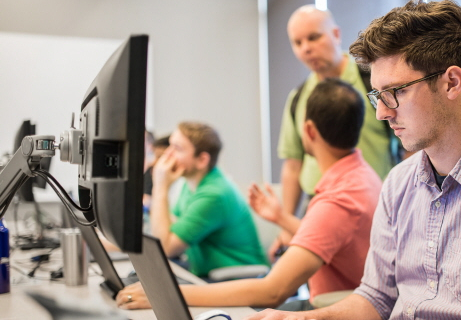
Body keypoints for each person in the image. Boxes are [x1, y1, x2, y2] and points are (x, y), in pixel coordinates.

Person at [246, 1, 461, 319]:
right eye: (376, 95)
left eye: (397, 92)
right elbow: (375, 300)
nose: (381, 113)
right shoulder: (399, 184)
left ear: (451, 83)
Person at [116, 79, 381, 311]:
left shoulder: (338, 199)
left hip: (331, 309)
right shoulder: (361, 176)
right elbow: (334, 234)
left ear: (308, 131)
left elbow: (273, 292)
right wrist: (281, 218)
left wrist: (165, 294)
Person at [273, 5, 399, 260]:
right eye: (297, 42)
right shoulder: (298, 98)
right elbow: (292, 166)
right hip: (317, 208)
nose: (306, 48)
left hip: (371, 207)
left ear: (336, 34)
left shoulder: (372, 82)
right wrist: (285, 225)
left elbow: (410, 147)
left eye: (313, 37)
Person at [145, 122, 267, 278]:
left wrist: (160, 186)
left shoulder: (214, 195)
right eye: (170, 146)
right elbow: (169, 226)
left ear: (202, 160)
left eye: (177, 148)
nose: (168, 154)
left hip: (234, 281)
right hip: (207, 275)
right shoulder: (190, 183)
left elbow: (165, 248)